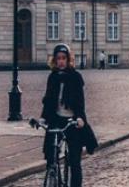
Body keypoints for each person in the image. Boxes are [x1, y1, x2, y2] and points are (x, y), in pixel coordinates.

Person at [39, 44, 98, 187]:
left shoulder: (75, 77)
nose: (61, 61)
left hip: (72, 121)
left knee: (74, 161)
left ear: (68, 59)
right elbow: (48, 100)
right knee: (50, 153)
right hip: (56, 119)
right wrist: (43, 118)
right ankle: (53, 176)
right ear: (54, 60)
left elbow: (79, 101)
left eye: (63, 58)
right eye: (58, 58)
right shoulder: (52, 77)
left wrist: (79, 118)